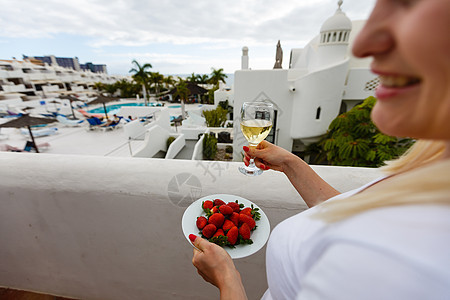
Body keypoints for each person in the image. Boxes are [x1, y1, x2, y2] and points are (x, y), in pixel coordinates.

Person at [190, 0, 450, 299]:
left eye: (408, 3)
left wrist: (227, 278)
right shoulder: (434, 171)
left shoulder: (405, 265)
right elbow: (353, 219)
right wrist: (290, 163)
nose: (362, 43)